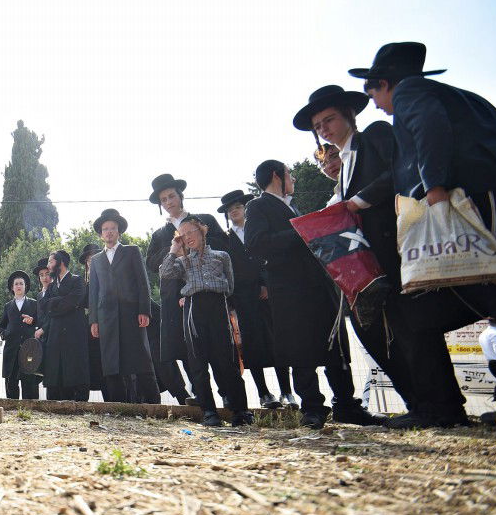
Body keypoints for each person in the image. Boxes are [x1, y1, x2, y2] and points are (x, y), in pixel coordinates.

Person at [351, 41, 496, 426]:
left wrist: (435, 188)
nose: (375, 104)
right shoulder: (458, 96)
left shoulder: (414, 92)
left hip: (480, 197)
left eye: (372, 92)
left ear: (385, 83)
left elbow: (429, 127)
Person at [293, 85, 421, 415]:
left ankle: (434, 405)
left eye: (329, 119)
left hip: (394, 252)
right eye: (317, 125)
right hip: (361, 271)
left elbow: (402, 171)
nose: (323, 129)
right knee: (378, 338)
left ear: (349, 115)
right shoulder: (344, 168)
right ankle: (418, 403)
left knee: (409, 333)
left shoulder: (375, 135)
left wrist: (358, 201)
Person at [244, 162, 385, 428]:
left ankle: (346, 405)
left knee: (335, 345)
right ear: (277, 176)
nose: (294, 179)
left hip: (319, 287)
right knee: (301, 349)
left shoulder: (291, 207)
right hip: (290, 292)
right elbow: (256, 244)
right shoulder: (258, 206)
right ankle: (312, 408)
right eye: (289, 174)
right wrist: (304, 230)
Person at [160, 218, 254, 426]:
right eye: (182, 235)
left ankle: (240, 410)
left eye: (191, 232)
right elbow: (164, 273)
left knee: (227, 360)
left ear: (202, 231)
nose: (188, 237)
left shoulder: (222, 256)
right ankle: (209, 411)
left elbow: (230, 285)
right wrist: (174, 249)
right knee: (198, 362)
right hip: (193, 309)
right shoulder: (182, 261)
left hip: (218, 305)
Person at [145, 174, 224, 403]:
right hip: (174, 295)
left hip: (207, 292)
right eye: (164, 199)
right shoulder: (160, 234)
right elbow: (151, 264)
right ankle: (201, 396)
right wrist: (173, 250)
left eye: (171, 196)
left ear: (180, 196)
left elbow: (224, 249)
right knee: (186, 347)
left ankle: (227, 394)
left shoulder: (204, 220)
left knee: (215, 346)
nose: (169, 202)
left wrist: (199, 241)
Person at [217, 189, 293, 409]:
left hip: (267, 294)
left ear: (245, 208)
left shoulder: (257, 230)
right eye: (230, 210)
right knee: (251, 346)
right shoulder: (226, 240)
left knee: (277, 342)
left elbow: (266, 258)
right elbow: (226, 270)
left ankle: (286, 392)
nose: (234, 212)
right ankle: (264, 394)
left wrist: (265, 283)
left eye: (237, 208)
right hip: (242, 298)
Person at [89, 209, 159, 404]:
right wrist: (93, 320)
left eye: (113, 228)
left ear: (119, 232)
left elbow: (142, 283)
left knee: (140, 360)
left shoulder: (131, 251)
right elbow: (93, 292)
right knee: (111, 363)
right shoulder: (95, 261)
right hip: (106, 318)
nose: (109, 232)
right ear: (101, 234)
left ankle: (154, 406)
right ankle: (118, 407)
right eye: (105, 229)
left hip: (131, 315)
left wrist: (144, 310)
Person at [42, 250, 90, 401]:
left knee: (74, 370)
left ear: (60, 262)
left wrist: (55, 304)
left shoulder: (77, 281)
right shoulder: (50, 287)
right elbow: (45, 306)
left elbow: (72, 302)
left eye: (50, 262)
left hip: (74, 334)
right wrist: (58, 303)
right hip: (54, 335)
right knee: (55, 371)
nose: (48, 266)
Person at [0, 271, 40, 399]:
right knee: (11, 381)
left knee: (29, 381)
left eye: (21, 283)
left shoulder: (34, 304)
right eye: (16, 284)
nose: (18, 286)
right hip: (11, 349)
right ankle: (11, 411)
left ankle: (31, 411)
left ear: (25, 286)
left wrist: (32, 321)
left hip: (29, 349)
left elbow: (40, 322)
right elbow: (2, 325)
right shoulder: (7, 306)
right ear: (12, 287)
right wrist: (5, 334)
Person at [78, 243, 107, 401]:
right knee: (89, 368)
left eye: (93, 258)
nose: (90, 262)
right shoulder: (82, 284)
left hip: (105, 329)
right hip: (88, 332)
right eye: (88, 260)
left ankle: (112, 402)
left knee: (106, 368)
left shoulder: (107, 279)